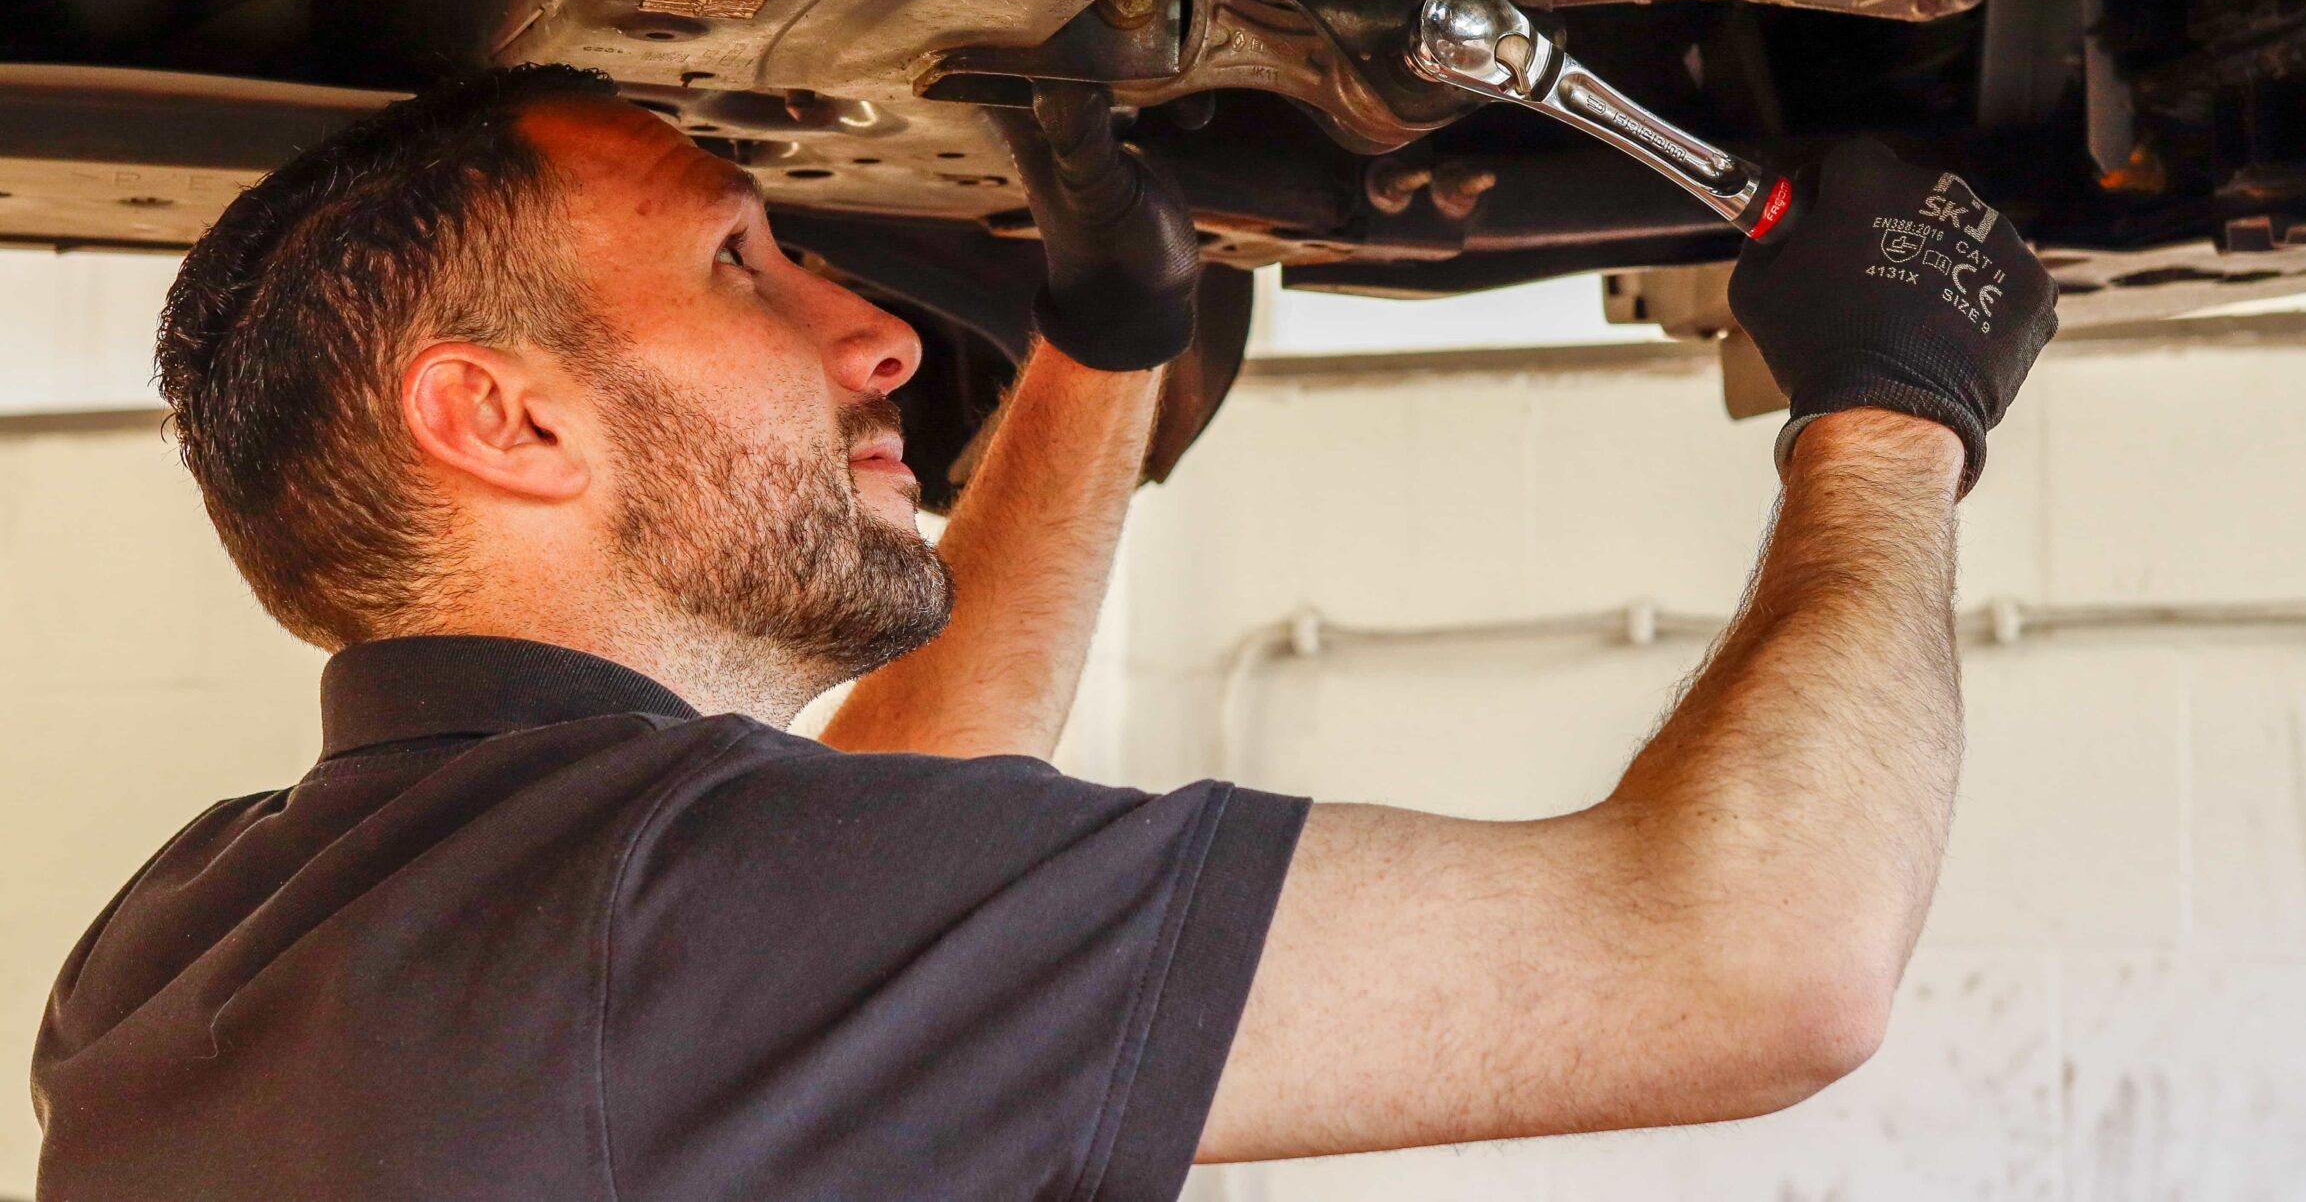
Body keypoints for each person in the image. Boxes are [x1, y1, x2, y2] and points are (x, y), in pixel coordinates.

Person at [29, 62, 2055, 1201]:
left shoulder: (203, 930)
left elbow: (887, 854)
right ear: (504, 417)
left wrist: (1108, 337)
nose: (875, 331)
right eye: (740, 266)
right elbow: (1749, 963)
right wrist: (1891, 404)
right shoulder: (681, 920)